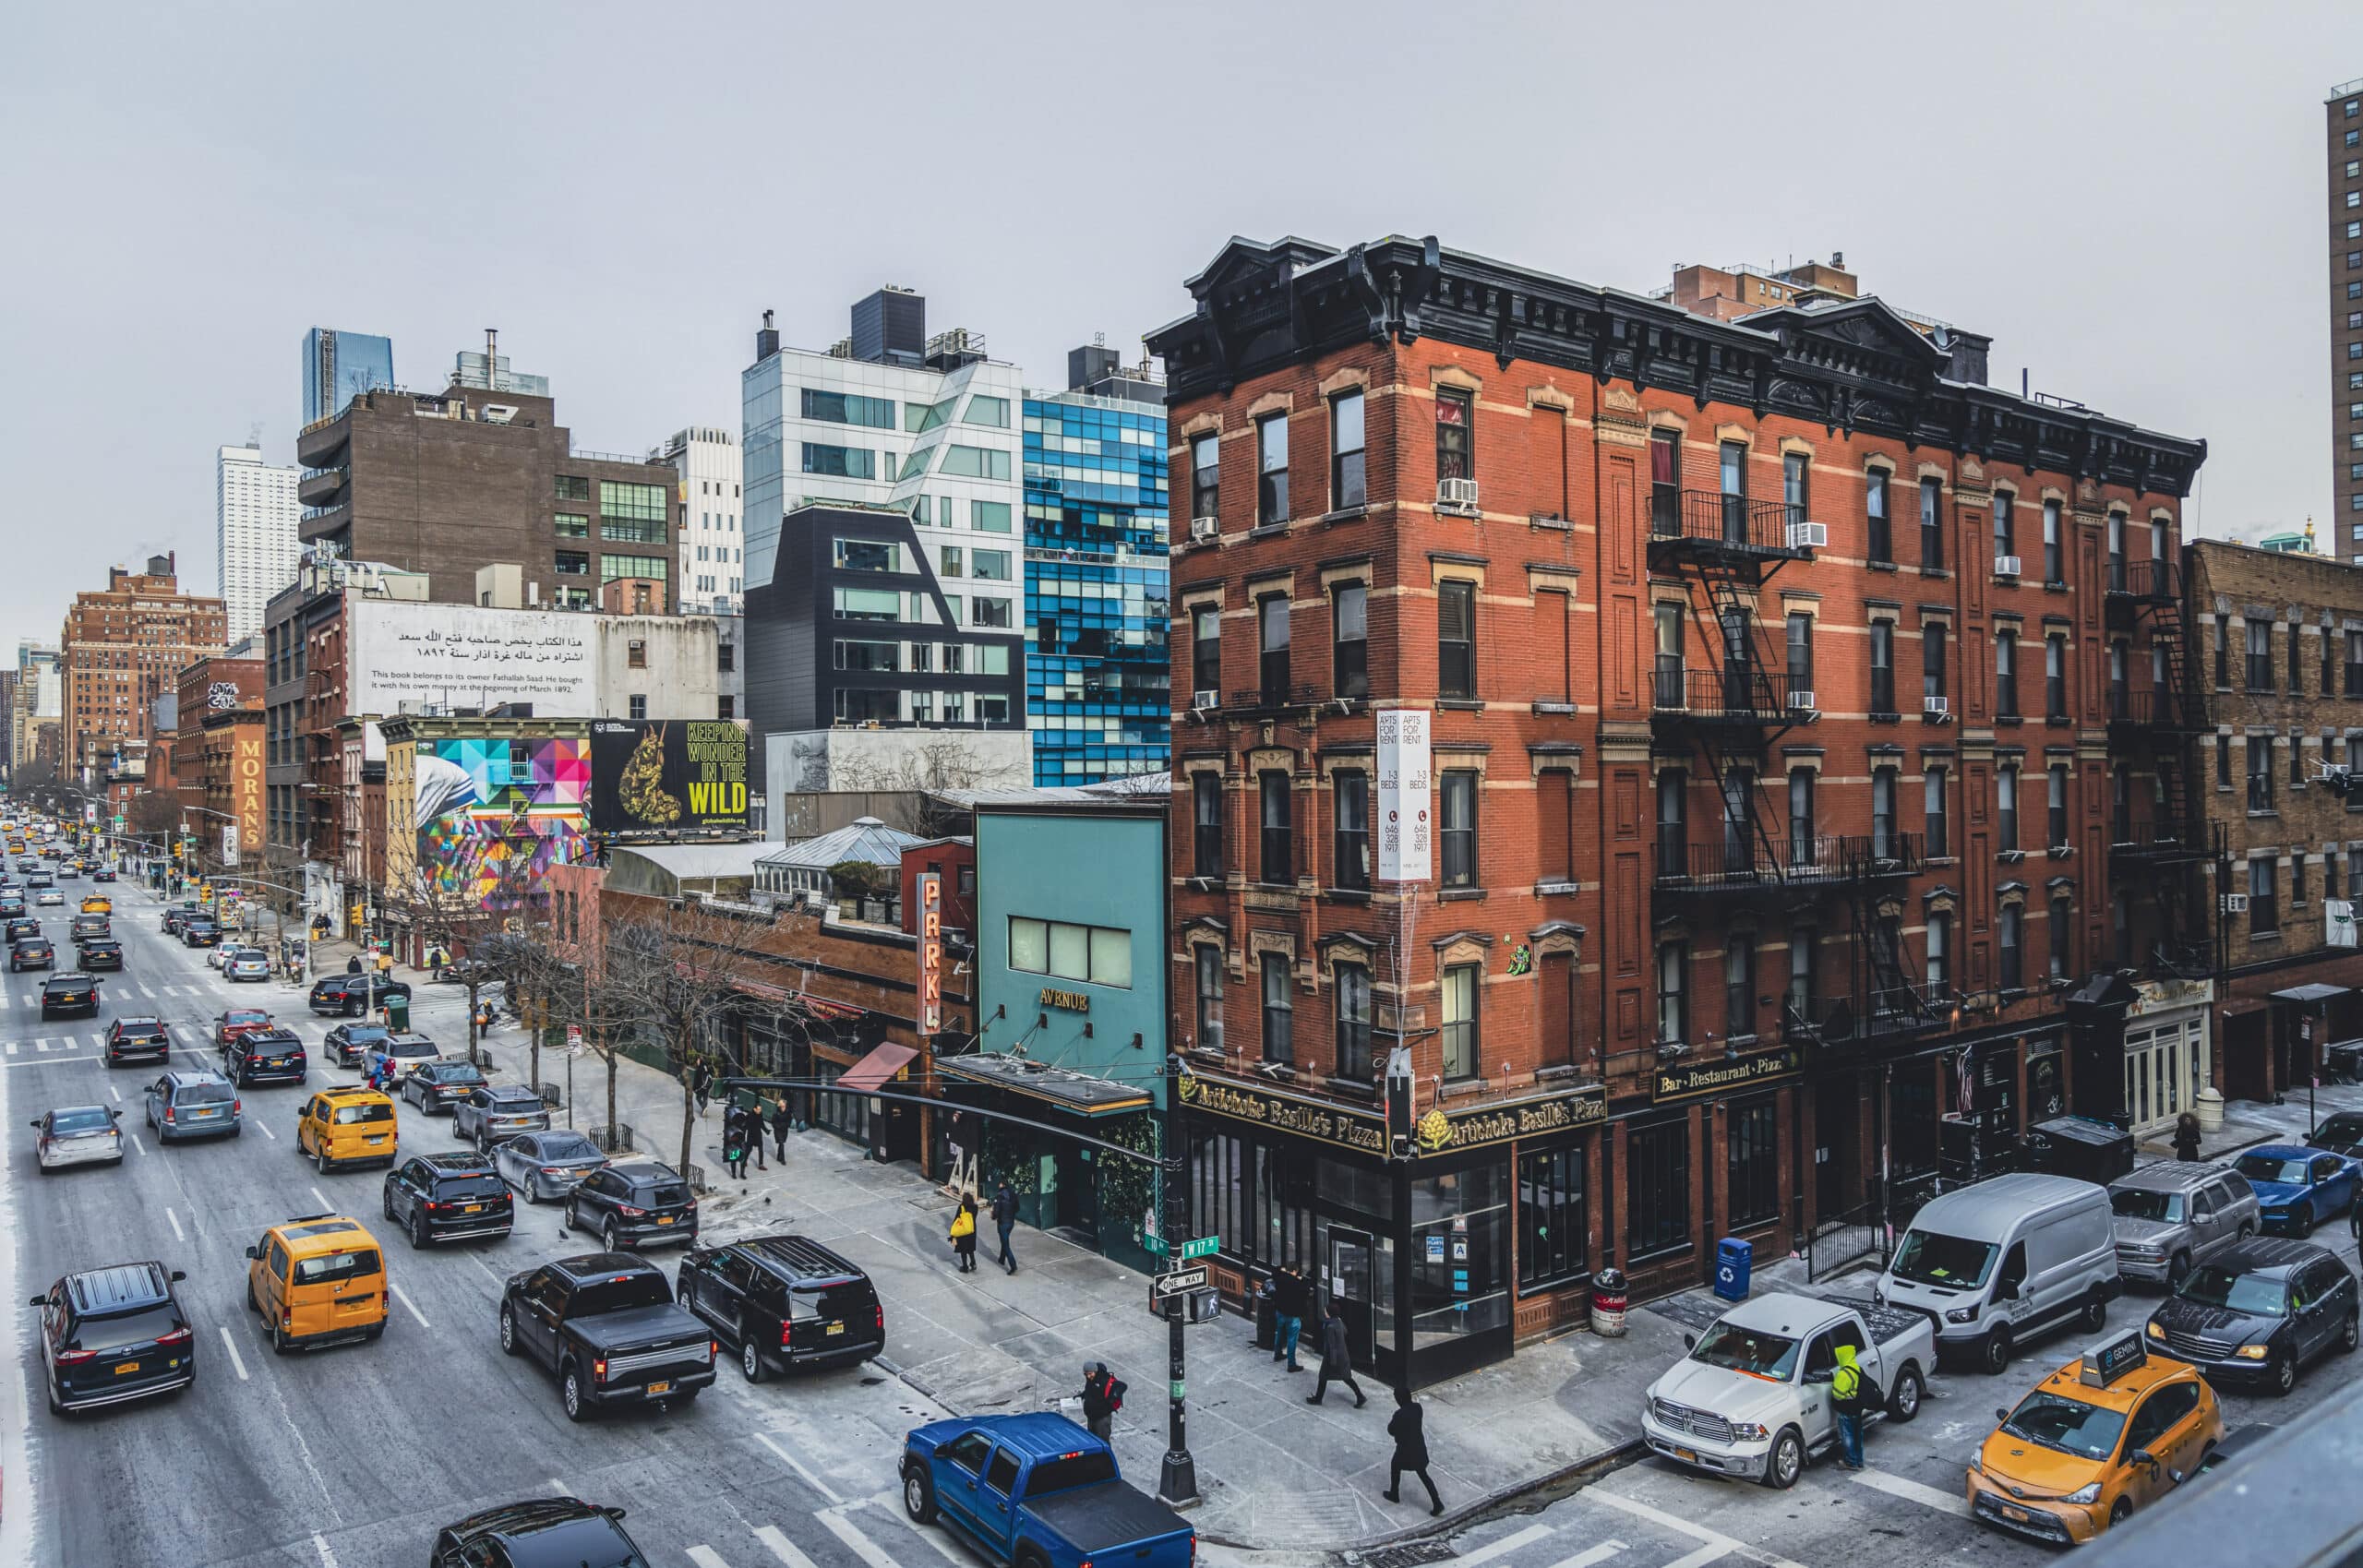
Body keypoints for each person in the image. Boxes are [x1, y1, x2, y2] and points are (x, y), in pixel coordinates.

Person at [1383, 1388, 1444, 1517]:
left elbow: (1391, 1430)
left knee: (1395, 1466)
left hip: (1405, 1450)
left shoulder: (1399, 1414)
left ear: (1399, 1399)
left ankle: (1394, 1493)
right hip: (1419, 1448)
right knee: (1423, 1475)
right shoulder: (1417, 1408)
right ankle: (1437, 1501)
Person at [1306, 1305, 1366, 1407]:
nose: (1324, 1312)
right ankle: (1360, 1396)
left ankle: (1318, 1399)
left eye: (1326, 1311)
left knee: (1323, 1376)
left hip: (1333, 1357)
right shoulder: (1338, 1321)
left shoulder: (1330, 1327)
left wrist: (1332, 1362)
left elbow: (1332, 1346)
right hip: (1343, 1356)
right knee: (1346, 1377)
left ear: (1329, 1314)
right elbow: (1345, 1332)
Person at [1830, 1343, 1876, 1471]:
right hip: (1857, 1408)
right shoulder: (1857, 1368)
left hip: (1846, 1409)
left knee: (1847, 1436)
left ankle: (1850, 1462)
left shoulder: (1844, 1373)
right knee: (1857, 1435)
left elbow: (1837, 1395)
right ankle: (1859, 1460)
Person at [1079, 1361, 1126, 1442]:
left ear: (1096, 1371)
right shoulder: (1090, 1379)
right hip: (1091, 1418)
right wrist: (1082, 1395)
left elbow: (1123, 1386)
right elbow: (1090, 1390)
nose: (1088, 1376)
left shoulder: (1104, 1380)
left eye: (1090, 1373)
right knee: (1093, 1441)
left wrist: (1114, 1395)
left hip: (1102, 1419)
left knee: (1103, 1442)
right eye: (1086, 1374)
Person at [991, 1179, 1019, 1275]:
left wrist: (993, 1216)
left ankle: (1013, 1265)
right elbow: (1017, 1208)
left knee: (1005, 1244)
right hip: (1011, 1222)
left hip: (1002, 1223)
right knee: (1005, 1240)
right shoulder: (1013, 1195)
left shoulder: (999, 1197)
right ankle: (1002, 1259)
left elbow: (996, 1212)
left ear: (1002, 1184)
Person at [949, 1195, 978, 1273]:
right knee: (970, 1248)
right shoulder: (975, 1207)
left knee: (963, 1250)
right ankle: (973, 1262)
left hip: (963, 1231)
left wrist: (952, 1233)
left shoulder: (961, 1207)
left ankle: (965, 1267)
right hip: (972, 1230)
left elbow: (956, 1219)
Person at [723, 1116, 750, 1181]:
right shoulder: (734, 1125)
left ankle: (742, 1173)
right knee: (734, 1159)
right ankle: (734, 1173)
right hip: (735, 1143)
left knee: (743, 1159)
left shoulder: (745, 1125)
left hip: (742, 1142)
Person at [767, 1095, 791, 1161]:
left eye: (784, 1107)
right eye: (782, 1107)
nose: (783, 1108)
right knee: (781, 1143)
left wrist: (786, 1125)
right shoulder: (776, 1113)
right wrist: (778, 1126)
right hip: (778, 1131)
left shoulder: (788, 1112)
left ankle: (778, 1155)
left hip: (785, 1131)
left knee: (781, 1143)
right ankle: (782, 1159)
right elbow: (773, 1122)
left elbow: (789, 1121)